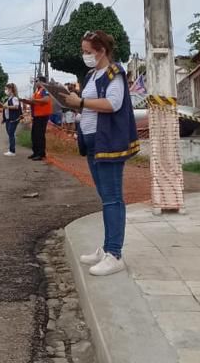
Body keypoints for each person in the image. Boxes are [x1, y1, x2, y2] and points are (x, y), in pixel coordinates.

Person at [56, 30, 138, 277]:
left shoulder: (115, 74)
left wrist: (80, 103)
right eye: (84, 52)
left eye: (88, 52)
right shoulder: (92, 75)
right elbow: (89, 106)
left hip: (108, 142)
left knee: (113, 198)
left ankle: (115, 254)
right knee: (105, 197)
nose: (85, 56)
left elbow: (113, 104)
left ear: (102, 51)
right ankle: (107, 248)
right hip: (93, 142)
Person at [21, 76, 54, 161]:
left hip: (42, 115)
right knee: (34, 135)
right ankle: (35, 152)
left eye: (37, 81)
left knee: (39, 135)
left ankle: (41, 154)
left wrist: (34, 100)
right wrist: (27, 101)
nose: (35, 83)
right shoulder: (37, 91)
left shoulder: (45, 90)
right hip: (36, 115)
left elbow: (46, 100)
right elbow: (34, 101)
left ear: (42, 82)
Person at [0, 83, 21, 157]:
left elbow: (16, 107)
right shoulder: (8, 98)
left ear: (11, 90)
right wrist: (4, 119)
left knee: (11, 134)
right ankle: (11, 150)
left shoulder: (14, 98)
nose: (5, 91)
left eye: (6, 89)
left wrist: (7, 107)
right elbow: (5, 108)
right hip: (8, 119)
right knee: (10, 134)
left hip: (13, 119)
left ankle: (12, 151)